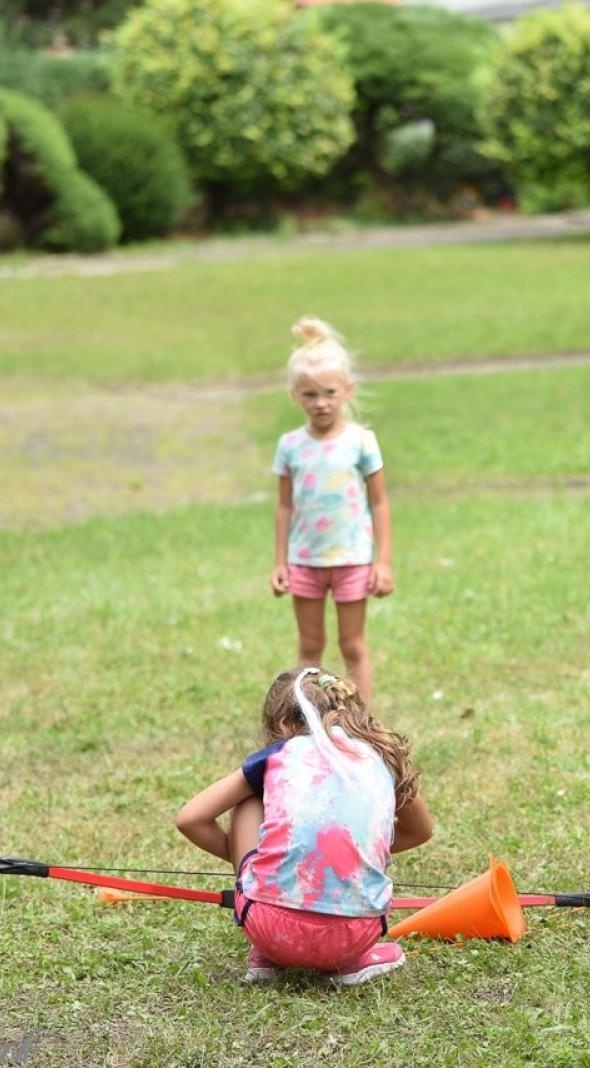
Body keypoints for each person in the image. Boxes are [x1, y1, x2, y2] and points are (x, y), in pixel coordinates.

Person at [176, 666, 434, 985]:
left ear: (284, 725)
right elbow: (420, 831)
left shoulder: (278, 755)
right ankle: (353, 963)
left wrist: (252, 865)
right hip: (355, 936)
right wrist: (349, 851)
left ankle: (266, 956)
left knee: (246, 799)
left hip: (268, 927)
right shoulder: (382, 754)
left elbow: (190, 819)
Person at [270, 318, 394, 703]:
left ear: (347, 390)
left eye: (329, 392)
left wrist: (383, 561)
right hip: (305, 560)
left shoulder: (361, 442)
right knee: (309, 647)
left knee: (353, 645)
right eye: (309, 395)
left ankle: (362, 724)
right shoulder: (290, 445)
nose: (320, 403)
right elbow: (284, 506)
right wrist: (280, 563)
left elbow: (379, 502)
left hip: (352, 559)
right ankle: (306, 722)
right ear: (295, 395)